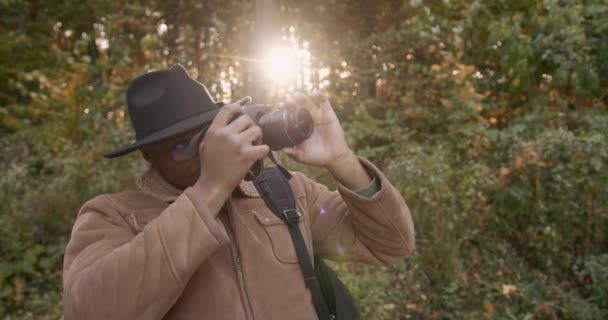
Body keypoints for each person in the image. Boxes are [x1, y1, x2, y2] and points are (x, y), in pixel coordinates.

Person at [62, 64, 415, 320]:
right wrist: (210, 189)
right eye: (183, 146)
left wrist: (342, 160)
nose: (207, 151)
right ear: (148, 154)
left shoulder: (280, 189)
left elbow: (391, 244)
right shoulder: (112, 215)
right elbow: (91, 311)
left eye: (209, 134)